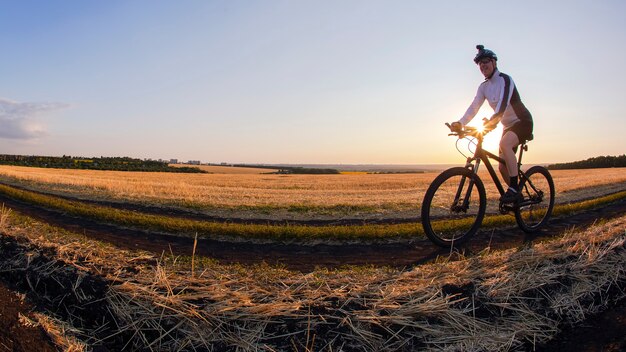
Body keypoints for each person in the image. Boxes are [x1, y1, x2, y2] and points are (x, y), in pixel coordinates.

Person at [450, 45, 533, 204]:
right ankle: (518, 197)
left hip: (523, 122)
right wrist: (460, 123)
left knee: (504, 144)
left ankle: (514, 188)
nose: (482, 66)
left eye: (486, 61)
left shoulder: (505, 79)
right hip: (507, 126)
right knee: (502, 168)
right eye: (480, 64)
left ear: (494, 62)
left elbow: (502, 105)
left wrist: (491, 124)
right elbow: (473, 107)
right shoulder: (483, 87)